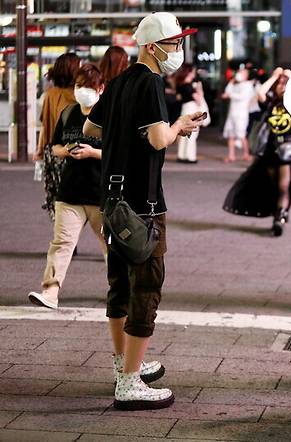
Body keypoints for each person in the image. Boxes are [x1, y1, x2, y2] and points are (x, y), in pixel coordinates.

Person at [83, 11, 203, 410]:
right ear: (152, 47)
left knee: (118, 285)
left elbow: (89, 129)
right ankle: (130, 382)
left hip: (112, 200)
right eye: (174, 43)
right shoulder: (151, 82)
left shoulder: (118, 83)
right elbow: (156, 139)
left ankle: (124, 366)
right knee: (146, 288)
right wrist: (180, 124)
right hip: (143, 205)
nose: (178, 50)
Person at [28, 64, 106, 310]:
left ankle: (120, 291)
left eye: (88, 87)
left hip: (101, 194)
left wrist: (93, 152)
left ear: (100, 89)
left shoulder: (109, 115)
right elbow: (55, 146)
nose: (82, 91)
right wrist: (68, 151)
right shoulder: (68, 113)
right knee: (61, 244)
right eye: (79, 86)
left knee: (112, 247)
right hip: (70, 192)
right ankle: (50, 292)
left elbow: (119, 152)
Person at [223, 68, 291, 237]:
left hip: (287, 150)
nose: (282, 86)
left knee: (283, 186)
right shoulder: (270, 103)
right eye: (279, 84)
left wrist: (290, 77)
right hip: (269, 151)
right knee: (273, 186)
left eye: (285, 84)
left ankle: (280, 218)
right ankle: (278, 213)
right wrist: (274, 76)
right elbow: (260, 93)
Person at [35, 53, 81, 221]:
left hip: (55, 152)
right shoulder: (80, 94)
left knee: (58, 197)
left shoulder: (51, 94)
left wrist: (40, 151)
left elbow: (45, 125)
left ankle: (66, 235)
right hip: (78, 151)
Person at [176, 64, 210, 163]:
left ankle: (181, 155)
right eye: (193, 71)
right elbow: (198, 99)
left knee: (184, 133)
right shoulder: (189, 86)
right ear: (189, 72)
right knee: (192, 133)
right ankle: (190, 156)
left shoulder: (181, 84)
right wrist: (199, 89)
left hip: (184, 109)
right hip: (191, 109)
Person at [222, 66, 255, 162]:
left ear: (246, 75)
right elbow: (227, 91)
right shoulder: (235, 84)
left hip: (241, 114)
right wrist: (232, 81)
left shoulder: (248, 85)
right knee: (230, 135)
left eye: (242, 72)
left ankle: (246, 154)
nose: (239, 74)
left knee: (241, 135)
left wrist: (230, 95)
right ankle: (231, 155)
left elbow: (242, 97)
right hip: (232, 113)